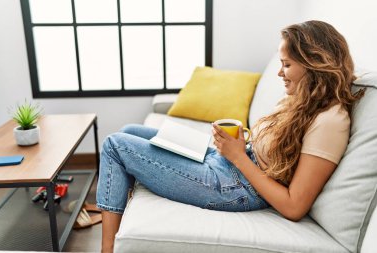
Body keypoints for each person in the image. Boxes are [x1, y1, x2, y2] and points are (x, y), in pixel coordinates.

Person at [96, 20, 364, 252]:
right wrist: (235, 145)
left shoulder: (330, 121)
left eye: (287, 64)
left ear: (313, 63)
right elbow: (272, 148)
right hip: (230, 164)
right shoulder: (303, 99)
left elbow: (294, 206)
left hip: (235, 187)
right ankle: (123, 198)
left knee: (115, 145)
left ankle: (107, 250)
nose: (279, 73)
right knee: (129, 131)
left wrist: (238, 157)